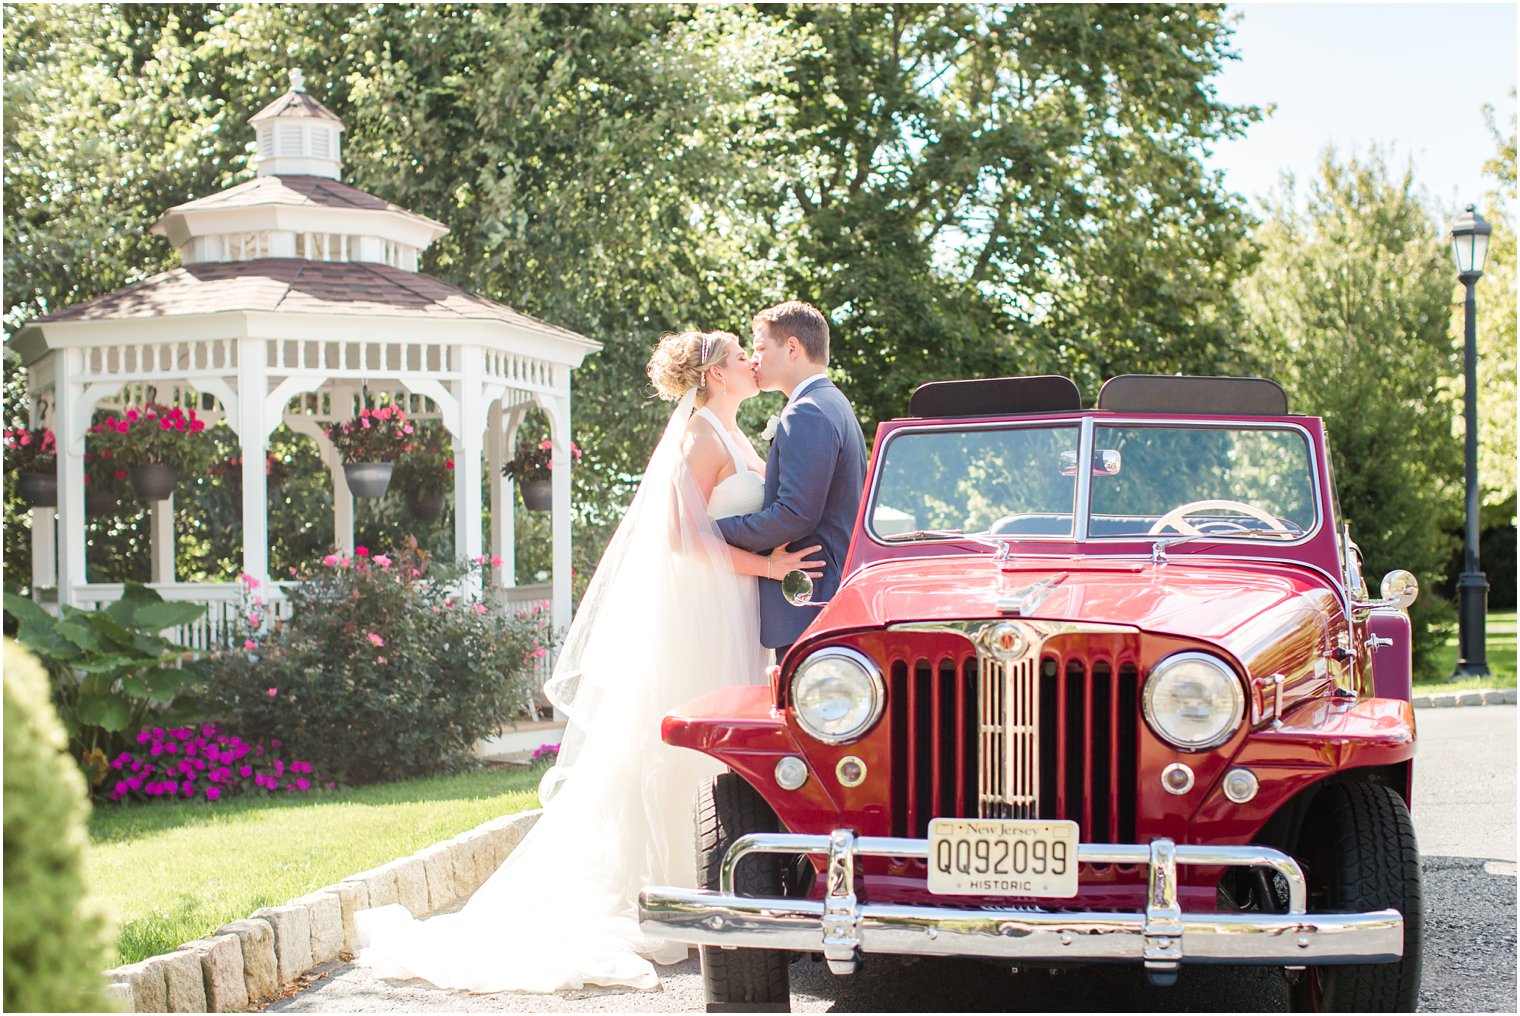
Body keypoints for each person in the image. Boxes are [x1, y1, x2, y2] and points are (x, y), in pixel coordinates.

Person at [353, 330, 823, 993]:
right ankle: (662, 890)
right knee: (677, 751)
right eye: (737, 356)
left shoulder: (735, 431)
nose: (752, 361)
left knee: (717, 756)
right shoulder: (699, 438)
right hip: (701, 611)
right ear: (715, 375)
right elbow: (679, 538)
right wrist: (768, 565)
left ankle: (707, 882)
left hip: (734, 612)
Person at [716, 301, 868, 660]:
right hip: (822, 598)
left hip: (811, 600)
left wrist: (713, 531)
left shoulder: (808, 412)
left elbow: (794, 514)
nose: (755, 360)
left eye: (761, 348)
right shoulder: (831, 403)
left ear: (793, 348)